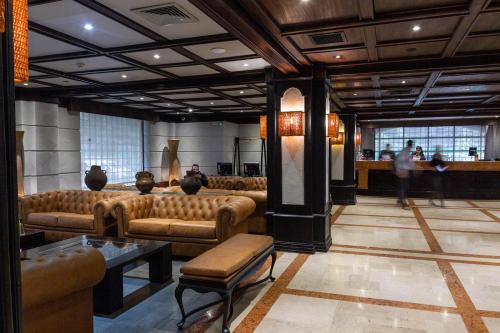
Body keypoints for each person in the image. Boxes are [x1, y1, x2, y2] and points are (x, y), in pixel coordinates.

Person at [394, 140, 415, 209]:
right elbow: (399, 162)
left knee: (403, 187)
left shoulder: (406, 152)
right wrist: (399, 171)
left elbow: (409, 162)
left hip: (404, 172)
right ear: (410, 145)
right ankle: (403, 202)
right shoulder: (404, 152)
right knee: (403, 187)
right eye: (412, 146)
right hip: (402, 172)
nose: (411, 147)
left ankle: (400, 199)